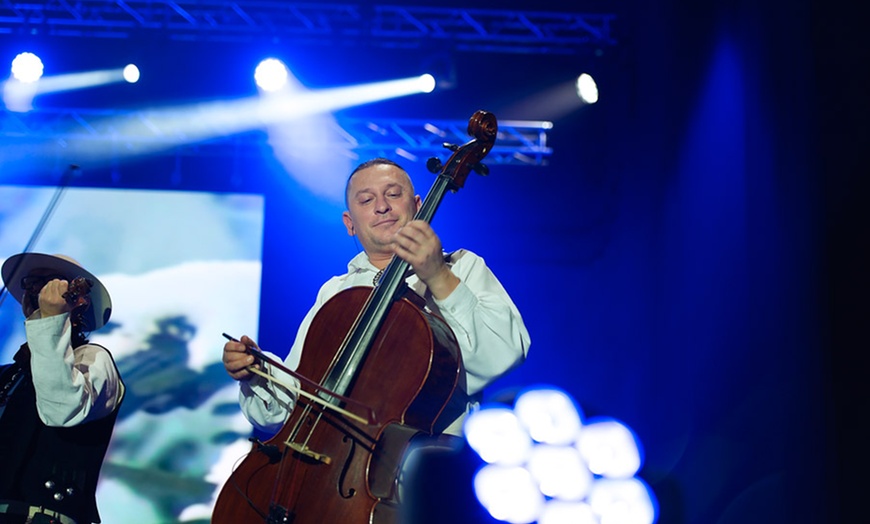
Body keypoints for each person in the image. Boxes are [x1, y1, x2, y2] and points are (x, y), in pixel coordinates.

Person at [221, 157, 530, 520]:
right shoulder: (337, 292)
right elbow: (293, 405)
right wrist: (259, 373)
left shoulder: (461, 267)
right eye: (366, 201)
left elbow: (502, 355)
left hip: (420, 482)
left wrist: (436, 276)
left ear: (417, 206)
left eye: (393, 194)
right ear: (350, 224)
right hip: (330, 475)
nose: (381, 206)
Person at [0, 253, 124, 524]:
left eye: (51, 283)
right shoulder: (8, 374)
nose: (38, 291)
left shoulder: (92, 359)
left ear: (79, 300)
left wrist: (51, 321)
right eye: (32, 283)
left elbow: (62, 409)